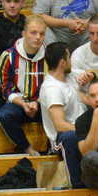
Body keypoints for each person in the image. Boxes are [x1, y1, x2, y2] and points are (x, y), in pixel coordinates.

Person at [0, 17, 49, 153]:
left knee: (59, 109)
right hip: (19, 103)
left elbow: (52, 86)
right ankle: (27, 148)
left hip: (43, 103)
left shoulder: (50, 55)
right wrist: (23, 104)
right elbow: (6, 88)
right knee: (4, 115)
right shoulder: (8, 56)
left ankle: (53, 149)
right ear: (24, 33)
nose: (38, 37)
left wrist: (37, 102)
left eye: (42, 34)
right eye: (33, 32)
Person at [38, 44, 85, 186]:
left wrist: (92, 75)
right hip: (60, 140)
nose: (71, 61)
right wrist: (88, 130)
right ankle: (76, 185)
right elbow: (60, 125)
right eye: (69, 57)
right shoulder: (52, 88)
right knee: (70, 138)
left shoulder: (70, 75)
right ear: (63, 62)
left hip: (80, 129)